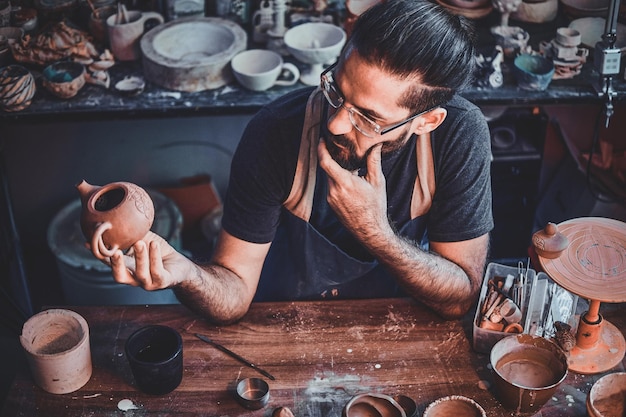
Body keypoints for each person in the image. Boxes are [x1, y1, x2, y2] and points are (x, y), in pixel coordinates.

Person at [109, 0, 494, 324]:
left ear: (426, 121)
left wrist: (377, 232)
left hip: (396, 321)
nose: (337, 121)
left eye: (367, 117)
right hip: (282, 319)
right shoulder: (276, 132)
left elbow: (460, 296)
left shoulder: (458, 136)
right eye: (336, 90)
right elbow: (235, 289)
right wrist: (188, 274)